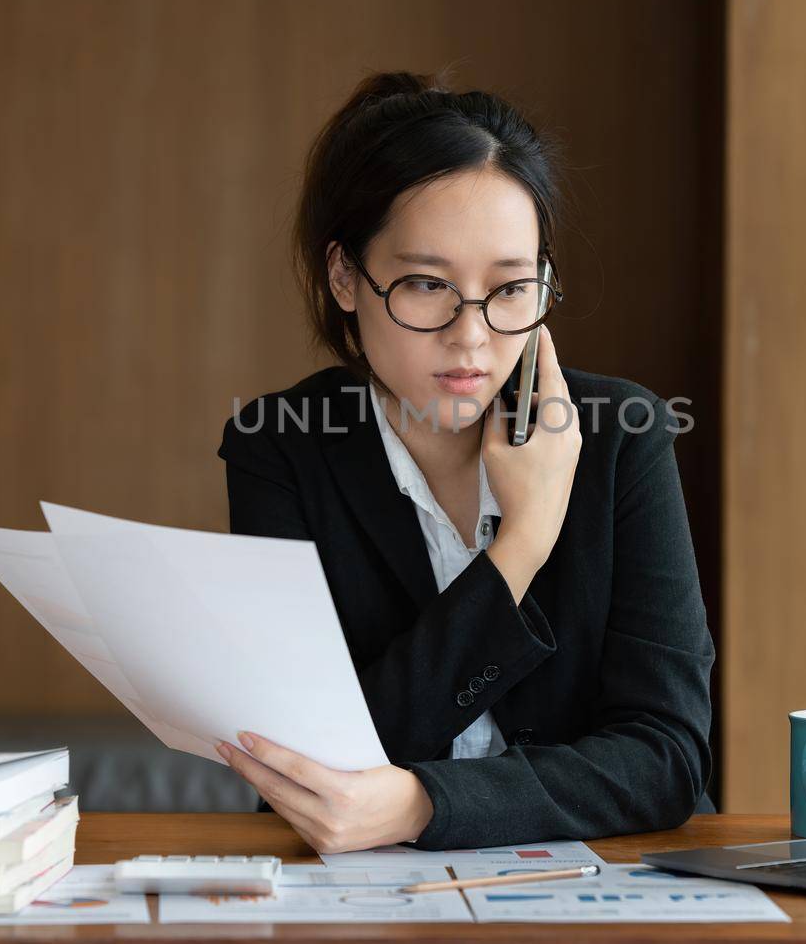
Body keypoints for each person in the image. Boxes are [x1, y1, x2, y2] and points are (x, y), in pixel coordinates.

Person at [215, 70, 715, 852]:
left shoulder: (623, 436)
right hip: (353, 896)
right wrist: (520, 548)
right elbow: (316, 764)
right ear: (345, 276)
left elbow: (666, 758)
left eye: (511, 287)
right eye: (425, 284)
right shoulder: (280, 448)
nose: (473, 336)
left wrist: (426, 803)